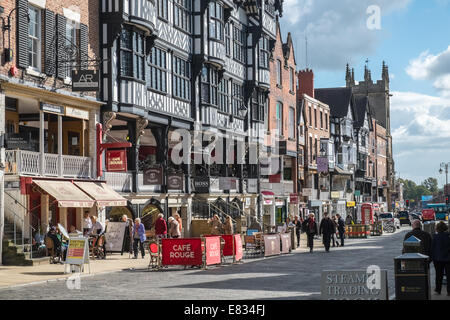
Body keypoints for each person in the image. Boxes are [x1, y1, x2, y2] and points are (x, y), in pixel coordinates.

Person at [430, 221, 450, 296]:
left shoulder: (435, 237)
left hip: (437, 259)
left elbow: (432, 248)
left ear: (437, 228)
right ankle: (449, 291)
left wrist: (431, 258)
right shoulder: (448, 236)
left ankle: (438, 290)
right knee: (449, 275)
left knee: (438, 275)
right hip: (448, 258)